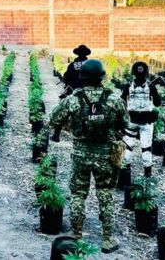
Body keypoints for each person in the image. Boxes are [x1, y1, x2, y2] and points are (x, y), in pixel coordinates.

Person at [49, 59, 129, 253]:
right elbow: (124, 122)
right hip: (105, 154)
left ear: (82, 77)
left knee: (78, 193)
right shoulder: (114, 99)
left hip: (80, 153)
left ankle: (76, 234)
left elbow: (53, 119)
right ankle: (108, 239)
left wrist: (71, 127)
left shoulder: (73, 100)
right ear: (102, 77)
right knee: (105, 193)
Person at [120, 61, 161, 177]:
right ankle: (147, 174)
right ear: (147, 72)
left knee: (128, 146)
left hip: (131, 121)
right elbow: (158, 104)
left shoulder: (127, 87)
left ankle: (125, 172)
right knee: (146, 147)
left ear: (133, 72)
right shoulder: (151, 87)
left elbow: (121, 103)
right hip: (146, 123)